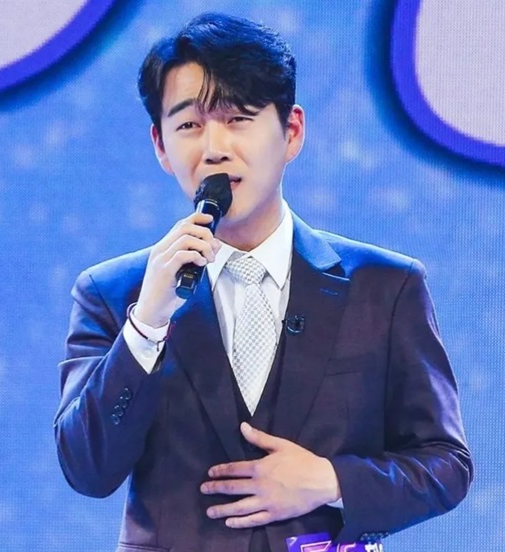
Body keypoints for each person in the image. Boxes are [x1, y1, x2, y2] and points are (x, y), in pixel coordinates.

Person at [54, 12, 473, 552]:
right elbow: (87, 469)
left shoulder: (385, 287)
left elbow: (445, 464)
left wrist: (331, 481)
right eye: (189, 125)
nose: (214, 147)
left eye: (238, 118)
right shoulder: (112, 293)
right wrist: (147, 325)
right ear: (160, 145)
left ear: (291, 132)